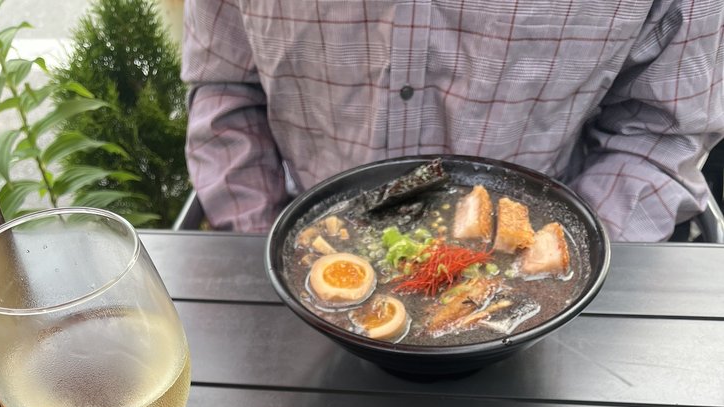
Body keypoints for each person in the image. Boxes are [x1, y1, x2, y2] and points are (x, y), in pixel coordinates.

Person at [182, 0, 724, 241]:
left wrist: (555, 271)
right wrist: (272, 254)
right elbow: (227, 90)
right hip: (307, 271)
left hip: (540, 312)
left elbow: (661, 132)